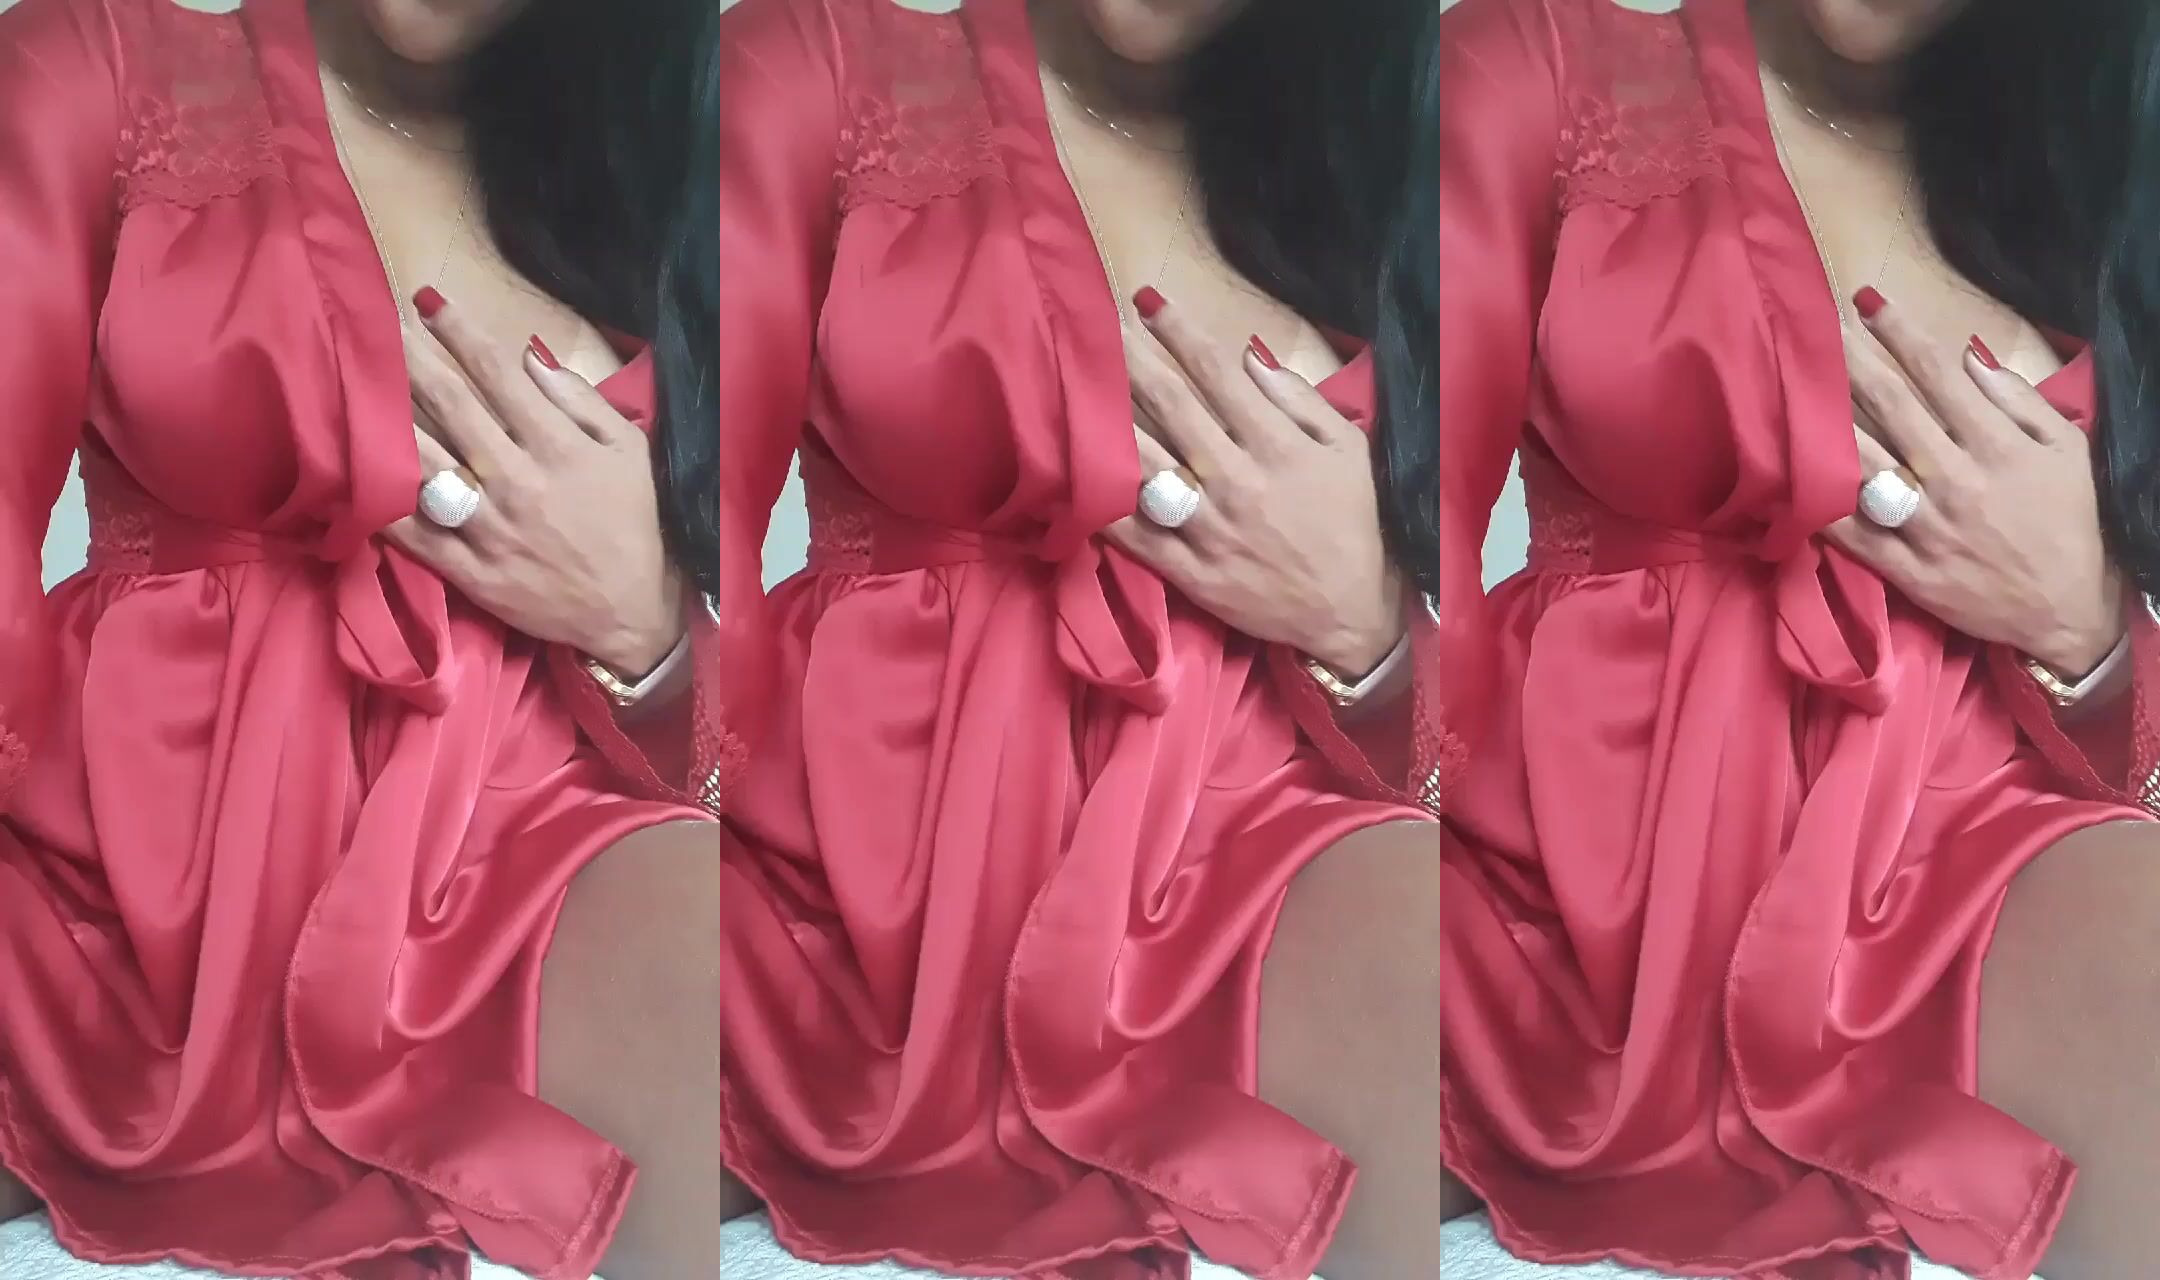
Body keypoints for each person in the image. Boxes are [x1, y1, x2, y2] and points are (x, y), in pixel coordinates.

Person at [0, 0, 724, 1276]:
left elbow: (746, 741)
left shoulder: (663, 161)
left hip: (520, 860)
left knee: (739, 962)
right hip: (113, 875)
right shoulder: (101, 67)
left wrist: (649, 623)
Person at [717, 0, 1440, 1276]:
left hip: (1260, 853)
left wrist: (1368, 623)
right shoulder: (820, 66)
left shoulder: (1399, 125)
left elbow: (1481, 729)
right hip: (849, 886)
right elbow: (674, 537)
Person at [1439, 0, 2160, 1277]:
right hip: (1557, 892)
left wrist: (2086, 626)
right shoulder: (1543, 63)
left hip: (1968, 853)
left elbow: (2119, 750)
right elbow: (1398, 543)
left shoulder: (2104, 131)